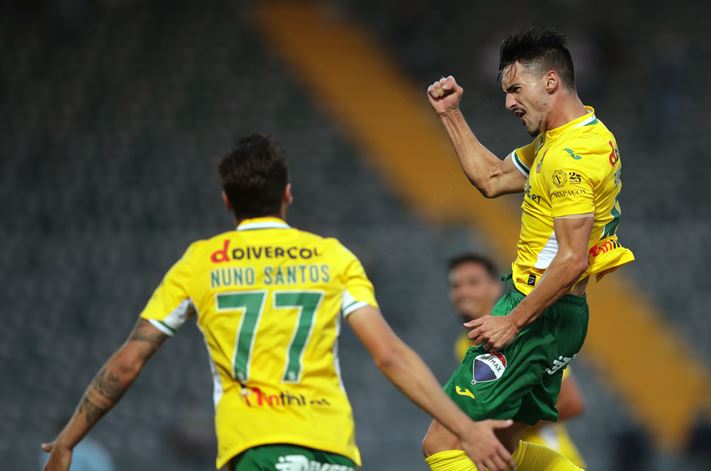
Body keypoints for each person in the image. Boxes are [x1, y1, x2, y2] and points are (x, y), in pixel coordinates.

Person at [41, 134, 515, 471]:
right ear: (288, 195)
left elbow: (129, 360)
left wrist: (67, 442)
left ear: (227, 201)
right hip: (331, 450)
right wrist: (466, 429)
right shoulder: (331, 256)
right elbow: (389, 353)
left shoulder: (201, 262)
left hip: (258, 447)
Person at [422, 28, 636, 471]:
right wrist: (451, 115)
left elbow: (573, 257)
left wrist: (512, 322)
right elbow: (493, 179)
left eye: (515, 89)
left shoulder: (569, 157)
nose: (508, 103)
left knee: (443, 442)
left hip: (534, 312)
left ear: (551, 82)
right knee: (495, 447)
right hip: (557, 315)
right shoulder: (569, 139)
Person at [447, 254, 587, 469]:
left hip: (546, 460)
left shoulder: (522, 332)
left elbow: (570, 402)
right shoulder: (464, 345)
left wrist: (497, 428)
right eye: (456, 285)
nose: (462, 292)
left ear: (495, 287)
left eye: (473, 283)